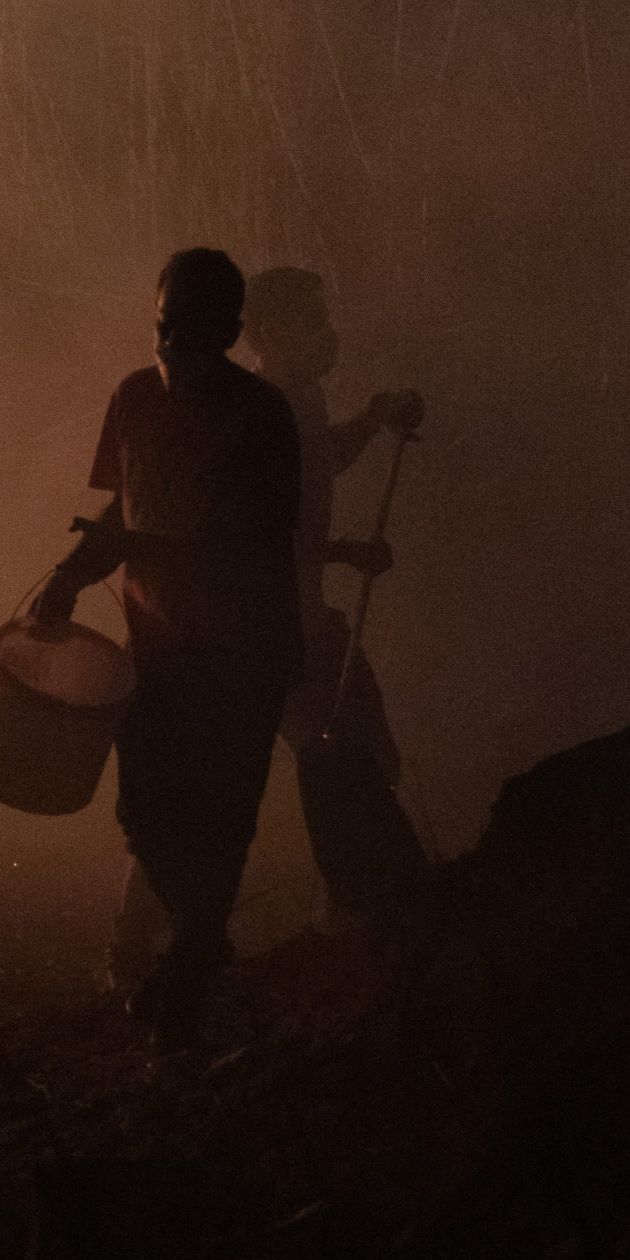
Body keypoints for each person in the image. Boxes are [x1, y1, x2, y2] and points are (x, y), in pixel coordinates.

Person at [31, 250, 302, 1045]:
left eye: (190, 329)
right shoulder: (133, 399)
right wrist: (71, 574)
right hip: (159, 653)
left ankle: (183, 991)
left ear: (229, 332)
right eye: (162, 326)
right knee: (142, 808)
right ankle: (196, 944)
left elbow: (257, 540)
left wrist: (142, 549)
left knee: (221, 819)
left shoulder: (261, 415)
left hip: (243, 656)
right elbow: (124, 510)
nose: (172, 343)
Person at [242, 268, 428, 912]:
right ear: (265, 332)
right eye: (308, 320)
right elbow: (263, 532)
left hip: (299, 617)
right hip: (276, 626)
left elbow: (323, 459)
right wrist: (346, 552)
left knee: (353, 757)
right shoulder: (264, 410)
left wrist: (374, 418)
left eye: (323, 319)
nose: (326, 334)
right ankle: (354, 909)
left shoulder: (302, 400)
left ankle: (351, 907)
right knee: (347, 760)